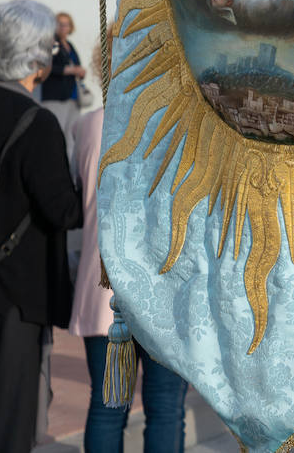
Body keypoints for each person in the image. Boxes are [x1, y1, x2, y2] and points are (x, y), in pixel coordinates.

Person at [0, 0, 83, 453]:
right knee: (4, 421)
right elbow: (63, 212)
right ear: (35, 58)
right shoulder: (37, 123)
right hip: (11, 290)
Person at [69, 44, 189, 452]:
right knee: (166, 407)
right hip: (165, 292)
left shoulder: (87, 126)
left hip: (104, 290)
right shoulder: (178, 126)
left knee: (106, 407)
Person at [41, 11, 86, 146]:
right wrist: (69, 70)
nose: (63, 28)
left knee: (71, 137)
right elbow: (45, 67)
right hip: (56, 98)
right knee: (55, 135)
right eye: (60, 24)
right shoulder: (51, 44)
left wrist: (81, 72)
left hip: (72, 98)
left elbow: (77, 64)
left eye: (66, 25)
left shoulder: (70, 45)